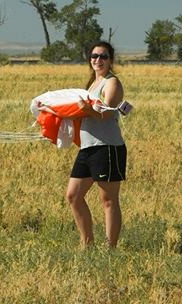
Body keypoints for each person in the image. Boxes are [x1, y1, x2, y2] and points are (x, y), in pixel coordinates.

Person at [65, 40, 127, 248]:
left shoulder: (112, 83)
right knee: (73, 195)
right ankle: (87, 243)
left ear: (111, 60)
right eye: (94, 56)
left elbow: (106, 114)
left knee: (108, 200)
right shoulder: (92, 84)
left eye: (103, 56)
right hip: (88, 147)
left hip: (107, 147)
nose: (98, 60)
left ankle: (110, 249)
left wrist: (85, 109)